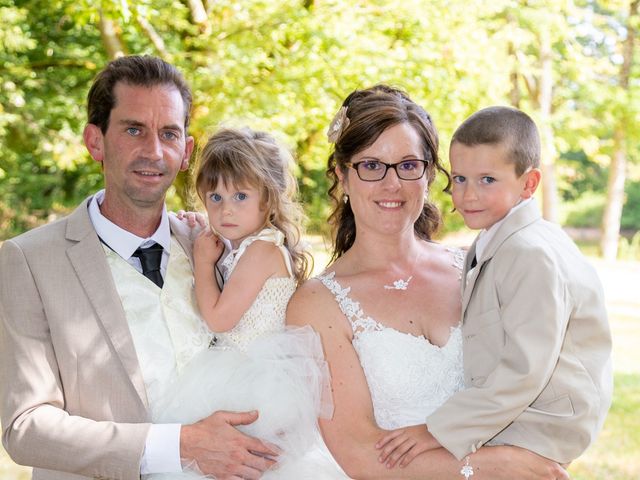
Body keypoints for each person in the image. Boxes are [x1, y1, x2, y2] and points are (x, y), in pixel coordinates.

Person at [0, 55, 278, 480]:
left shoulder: (216, 243)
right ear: (95, 141)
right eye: (134, 130)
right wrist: (179, 445)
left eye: (168, 133)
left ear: (186, 152)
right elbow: (26, 428)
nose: (153, 151)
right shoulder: (28, 261)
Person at [286, 85, 570, 479]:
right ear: (343, 176)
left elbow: (539, 366)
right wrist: (495, 466)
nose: (392, 184)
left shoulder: (477, 265)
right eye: (371, 166)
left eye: (408, 165)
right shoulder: (317, 303)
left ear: (430, 174)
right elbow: (361, 454)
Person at [376, 106, 612, 468]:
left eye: (487, 180)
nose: (469, 195)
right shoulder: (503, 239)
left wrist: (435, 430)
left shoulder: (530, 253)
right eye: (459, 179)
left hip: (544, 423)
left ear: (528, 184)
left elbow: (525, 369)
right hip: (520, 413)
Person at [150, 127, 347, 479]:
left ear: (268, 200)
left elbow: (218, 319)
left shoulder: (261, 251)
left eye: (240, 197)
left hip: (254, 378)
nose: (225, 210)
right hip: (242, 369)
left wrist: (202, 262)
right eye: (214, 198)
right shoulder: (248, 244)